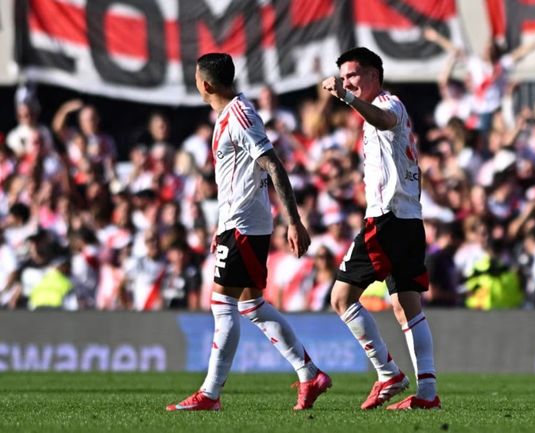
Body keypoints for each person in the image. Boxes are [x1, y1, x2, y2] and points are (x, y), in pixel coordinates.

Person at [167, 53, 330, 412]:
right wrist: (219, 225)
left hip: (244, 224)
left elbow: (272, 164)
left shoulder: (240, 116)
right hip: (235, 222)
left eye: (196, 79)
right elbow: (235, 179)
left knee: (222, 305)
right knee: (251, 305)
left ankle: (210, 394)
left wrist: (294, 220)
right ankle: (309, 373)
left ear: (206, 84)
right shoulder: (226, 116)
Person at [322, 47, 441, 410]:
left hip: (387, 219)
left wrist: (344, 97)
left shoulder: (390, 105)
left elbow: (385, 120)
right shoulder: (372, 112)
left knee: (341, 299)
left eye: (353, 76)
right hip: (408, 219)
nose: (347, 84)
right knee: (407, 306)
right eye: (343, 79)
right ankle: (427, 394)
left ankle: (387, 372)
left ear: (374, 75)